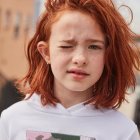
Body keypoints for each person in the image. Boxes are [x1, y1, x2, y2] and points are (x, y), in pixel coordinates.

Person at [0, 0, 140, 139]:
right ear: (46, 52)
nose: (80, 58)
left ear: (107, 55)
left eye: (94, 47)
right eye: (67, 46)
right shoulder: (12, 120)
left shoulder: (123, 131)